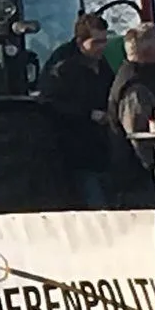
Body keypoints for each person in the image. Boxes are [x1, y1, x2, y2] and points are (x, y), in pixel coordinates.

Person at [40, 12, 114, 207]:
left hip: (100, 149)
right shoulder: (62, 67)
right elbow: (51, 104)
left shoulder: (102, 65)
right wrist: (88, 114)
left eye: (104, 41)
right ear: (81, 42)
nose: (102, 47)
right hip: (73, 150)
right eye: (96, 42)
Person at [107, 23, 155, 202]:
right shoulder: (135, 87)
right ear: (149, 52)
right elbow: (137, 135)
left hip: (136, 175)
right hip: (136, 178)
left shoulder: (134, 78)